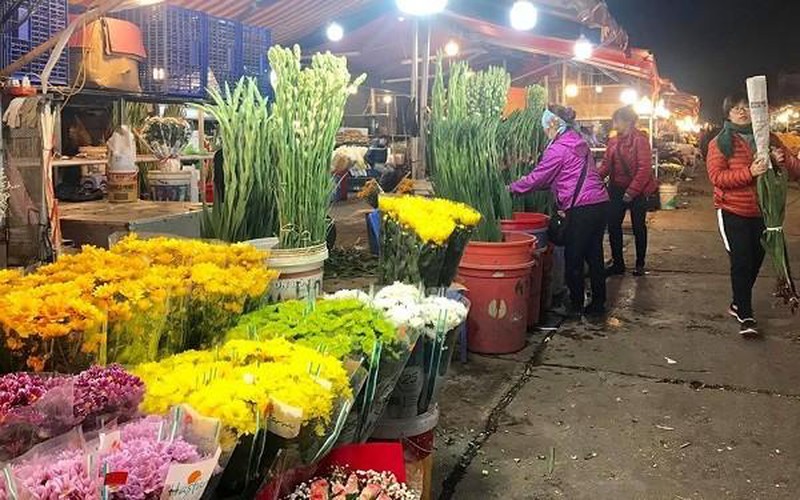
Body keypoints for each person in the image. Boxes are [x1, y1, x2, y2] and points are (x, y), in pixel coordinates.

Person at [707, 92, 800, 337]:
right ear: (727, 113)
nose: (741, 111)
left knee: (756, 261)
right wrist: (749, 172)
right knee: (741, 261)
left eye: (746, 106)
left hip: (763, 212)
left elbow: (794, 169)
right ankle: (746, 315)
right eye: (736, 108)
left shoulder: (768, 138)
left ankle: (738, 302)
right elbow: (717, 178)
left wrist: (780, 160)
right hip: (731, 210)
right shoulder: (720, 143)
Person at [509, 105, 610, 317]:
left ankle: (574, 306)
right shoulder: (577, 142)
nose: (544, 130)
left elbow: (539, 177)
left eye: (545, 126)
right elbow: (565, 175)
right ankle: (598, 304)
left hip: (582, 207)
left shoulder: (558, 149)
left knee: (574, 256)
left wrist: (512, 188)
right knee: (594, 254)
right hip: (599, 202)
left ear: (552, 124)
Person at [598, 106, 658, 277]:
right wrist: (593, 179)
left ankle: (640, 263)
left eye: (617, 120)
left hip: (638, 190)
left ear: (628, 121)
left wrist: (631, 191)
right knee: (613, 225)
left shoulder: (640, 140)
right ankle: (618, 263)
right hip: (617, 187)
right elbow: (606, 165)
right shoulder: (613, 141)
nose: (614, 124)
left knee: (638, 226)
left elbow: (644, 169)